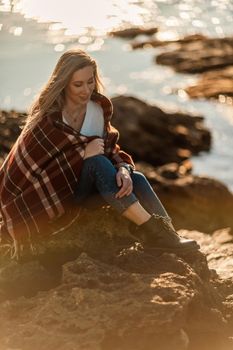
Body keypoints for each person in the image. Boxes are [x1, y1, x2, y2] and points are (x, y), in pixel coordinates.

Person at [0, 48, 199, 259]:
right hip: (60, 195)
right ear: (64, 83)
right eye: (78, 84)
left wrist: (123, 169)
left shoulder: (97, 110)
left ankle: (168, 236)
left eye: (90, 82)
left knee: (137, 178)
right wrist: (83, 155)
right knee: (97, 163)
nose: (86, 90)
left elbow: (112, 150)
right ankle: (158, 234)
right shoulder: (49, 119)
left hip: (90, 188)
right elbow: (35, 169)